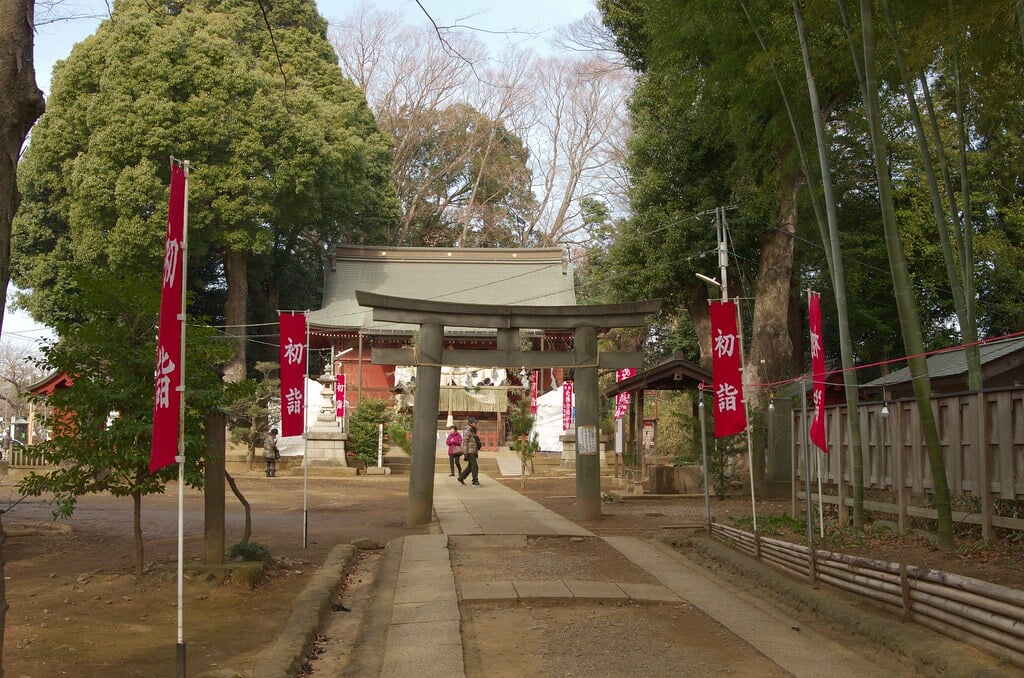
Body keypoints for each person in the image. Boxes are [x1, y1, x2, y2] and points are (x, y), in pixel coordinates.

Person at [457, 417, 482, 486]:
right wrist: (465, 453)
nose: (476, 424)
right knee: (475, 466)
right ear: (471, 423)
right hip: (469, 451)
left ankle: (461, 478)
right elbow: (465, 442)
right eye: (475, 422)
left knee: (470, 466)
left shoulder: (473, 430)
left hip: (473, 450)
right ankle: (475, 481)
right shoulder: (467, 430)